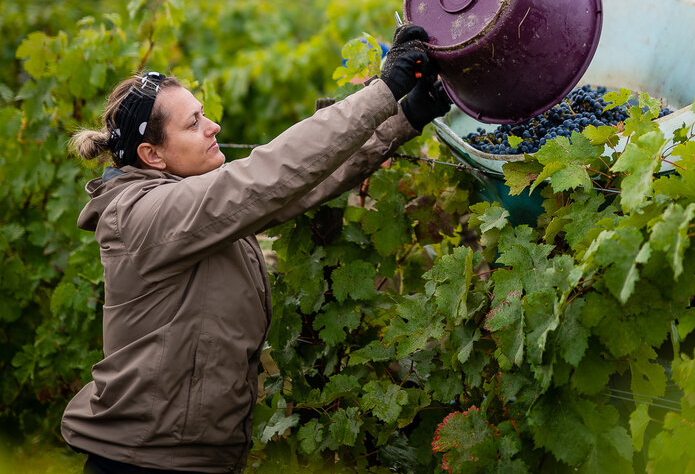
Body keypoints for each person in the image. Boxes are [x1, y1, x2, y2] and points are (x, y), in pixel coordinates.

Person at [61, 24, 451, 474]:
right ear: (152, 155)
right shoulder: (146, 216)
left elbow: (296, 187)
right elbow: (264, 175)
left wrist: (405, 118)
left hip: (187, 455)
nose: (214, 127)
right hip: (146, 460)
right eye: (193, 123)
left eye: (203, 113)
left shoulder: (189, 202)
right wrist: (385, 89)